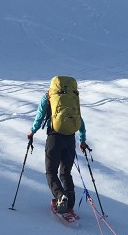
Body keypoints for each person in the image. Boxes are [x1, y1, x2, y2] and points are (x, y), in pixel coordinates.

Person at [28, 76, 89, 214]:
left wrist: (32, 132)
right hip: (70, 139)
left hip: (54, 138)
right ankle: (70, 204)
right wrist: (82, 140)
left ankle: (61, 197)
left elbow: (39, 117)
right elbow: (80, 120)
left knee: (51, 171)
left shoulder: (48, 97)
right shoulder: (72, 98)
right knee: (65, 173)